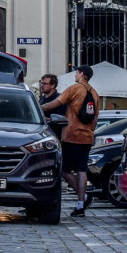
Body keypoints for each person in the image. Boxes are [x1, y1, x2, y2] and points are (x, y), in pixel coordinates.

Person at [41, 65, 100, 217]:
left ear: (81, 74)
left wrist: (34, 108)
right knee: (82, 170)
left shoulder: (74, 89)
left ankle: (84, 198)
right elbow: (95, 118)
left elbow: (54, 104)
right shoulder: (94, 93)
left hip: (71, 135)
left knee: (64, 170)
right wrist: (89, 131)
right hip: (86, 137)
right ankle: (81, 204)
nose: (75, 75)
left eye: (76, 72)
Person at [38, 73, 63, 139]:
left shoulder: (60, 99)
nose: (42, 86)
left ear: (53, 85)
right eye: (41, 83)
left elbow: (62, 119)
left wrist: (45, 119)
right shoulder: (42, 98)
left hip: (54, 136)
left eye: (45, 84)